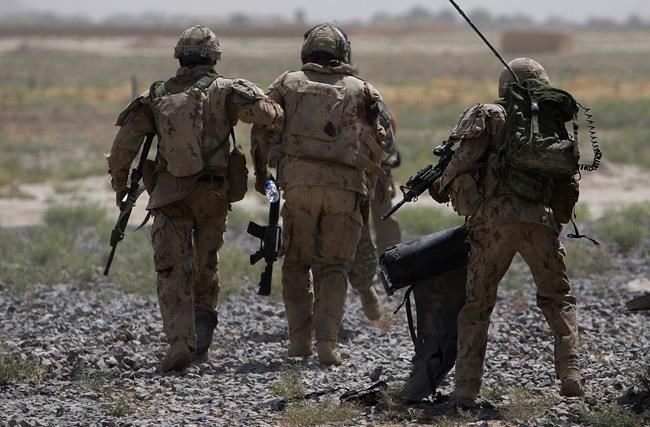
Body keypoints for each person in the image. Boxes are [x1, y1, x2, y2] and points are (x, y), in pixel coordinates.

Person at [106, 25, 283, 373]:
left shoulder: (155, 95)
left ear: (179, 57)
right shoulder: (227, 90)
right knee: (206, 265)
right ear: (214, 58)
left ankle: (179, 342)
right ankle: (201, 345)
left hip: (169, 195)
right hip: (213, 195)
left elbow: (123, 147)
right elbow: (266, 116)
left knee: (171, 269)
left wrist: (120, 187)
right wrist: (275, 111)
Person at [429, 58, 584, 405]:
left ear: (503, 86)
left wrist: (439, 184)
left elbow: (461, 162)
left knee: (477, 306)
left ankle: (466, 388)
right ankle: (571, 372)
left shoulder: (489, 114)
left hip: (493, 222)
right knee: (558, 299)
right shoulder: (550, 121)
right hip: (541, 220)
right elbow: (567, 178)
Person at [251, 22, 388, 365]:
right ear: (343, 53)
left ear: (307, 52)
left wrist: (262, 174)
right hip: (345, 190)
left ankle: (300, 342)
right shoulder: (362, 89)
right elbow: (380, 142)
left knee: (297, 263)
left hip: (299, 188)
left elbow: (261, 127)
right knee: (334, 267)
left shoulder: (287, 83)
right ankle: (327, 344)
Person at [347, 114, 402, 321]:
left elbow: (385, 145)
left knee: (367, 229)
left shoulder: (367, 103)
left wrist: (384, 176)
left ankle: (386, 272)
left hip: (361, 176)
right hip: (351, 176)